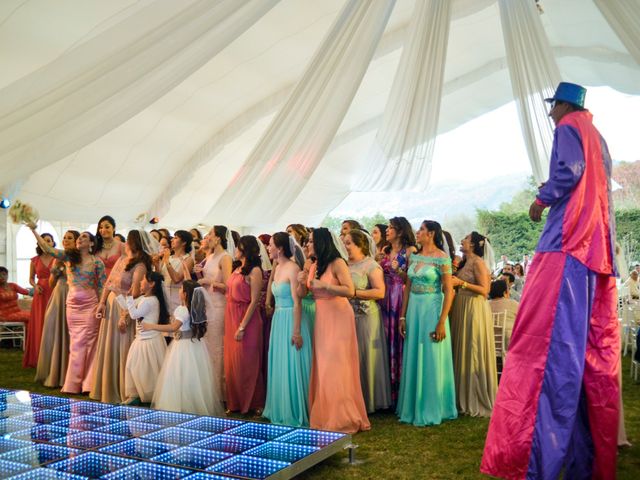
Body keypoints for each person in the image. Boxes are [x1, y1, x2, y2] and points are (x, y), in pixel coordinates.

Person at [482, 82, 620, 479]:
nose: (549, 115)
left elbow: (568, 171)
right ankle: (586, 461)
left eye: (552, 107)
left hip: (567, 246)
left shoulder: (569, 128)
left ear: (563, 105)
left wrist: (540, 200)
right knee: (589, 358)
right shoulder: (599, 136)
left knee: (544, 353)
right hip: (596, 254)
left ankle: (534, 459)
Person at [300, 227, 370, 434]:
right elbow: (305, 291)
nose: (308, 245)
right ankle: (325, 413)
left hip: (339, 316)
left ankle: (342, 416)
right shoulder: (314, 265)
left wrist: (325, 286)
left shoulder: (337, 263)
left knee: (336, 364)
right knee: (323, 364)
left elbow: (349, 291)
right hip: (322, 318)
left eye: (311, 241)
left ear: (321, 243)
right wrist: (303, 274)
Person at [30, 226, 106, 394]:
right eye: (79, 238)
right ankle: (73, 383)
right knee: (76, 343)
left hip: (90, 305)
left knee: (91, 343)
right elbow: (47, 248)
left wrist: (102, 304)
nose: (80, 239)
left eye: (84, 237)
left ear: (91, 243)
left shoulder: (97, 262)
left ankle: (89, 384)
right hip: (72, 305)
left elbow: (101, 287)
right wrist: (33, 230)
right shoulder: (67, 257)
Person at [397, 221, 457, 426]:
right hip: (414, 308)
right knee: (414, 352)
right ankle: (412, 405)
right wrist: (402, 316)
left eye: (421, 229)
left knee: (431, 355)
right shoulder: (414, 256)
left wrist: (442, 321)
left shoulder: (442, 258)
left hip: (432, 309)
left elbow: (449, 290)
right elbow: (407, 286)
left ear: (431, 234)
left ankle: (433, 406)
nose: (418, 232)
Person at [90, 230, 150, 403]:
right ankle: (106, 387)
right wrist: (101, 302)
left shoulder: (140, 266)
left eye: (127, 240)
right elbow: (108, 283)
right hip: (110, 306)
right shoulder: (122, 260)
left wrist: (125, 314)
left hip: (123, 308)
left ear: (133, 242)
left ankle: (123, 389)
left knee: (122, 347)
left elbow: (136, 293)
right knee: (109, 346)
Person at [148, 281, 223, 416]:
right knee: (194, 377)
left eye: (181, 288)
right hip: (195, 346)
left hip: (182, 348)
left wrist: (152, 326)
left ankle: (180, 407)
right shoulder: (194, 309)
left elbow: (173, 327)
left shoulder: (182, 310)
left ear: (185, 294)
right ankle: (194, 405)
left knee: (179, 376)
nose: (179, 290)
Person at [263, 232, 311, 427]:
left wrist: (297, 331)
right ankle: (280, 406)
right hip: (278, 319)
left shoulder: (292, 268)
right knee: (281, 361)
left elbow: (298, 302)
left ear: (280, 248)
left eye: (271, 245)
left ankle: (295, 408)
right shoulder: (278, 267)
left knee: (292, 363)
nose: (268, 248)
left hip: (291, 317)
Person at [449, 231, 497, 417]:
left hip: (473, 308)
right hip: (462, 306)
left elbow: (485, 290)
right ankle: (461, 393)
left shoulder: (478, 263)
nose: (462, 240)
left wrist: (461, 283)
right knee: (462, 347)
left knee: (472, 348)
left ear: (475, 245)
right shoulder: (465, 261)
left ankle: (475, 395)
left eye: (467, 238)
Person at [344, 229, 391, 413]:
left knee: (366, 356)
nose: (345, 246)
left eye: (349, 243)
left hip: (366, 317)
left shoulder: (371, 265)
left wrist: (354, 293)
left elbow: (380, 292)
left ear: (360, 245)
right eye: (344, 243)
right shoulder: (343, 265)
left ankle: (370, 399)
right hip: (346, 317)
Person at [224, 235, 266, 415]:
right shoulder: (237, 268)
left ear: (245, 249)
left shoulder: (255, 271)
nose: (234, 250)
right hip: (231, 314)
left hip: (246, 318)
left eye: (237, 247)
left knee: (247, 361)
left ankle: (254, 402)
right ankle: (236, 402)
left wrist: (242, 326)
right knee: (232, 362)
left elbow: (255, 300)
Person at [379, 216, 416, 405]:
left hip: (400, 297)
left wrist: (399, 271)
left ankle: (401, 390)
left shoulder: (410, 251)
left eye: (391, 228)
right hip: (385, 297)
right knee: (386, 339)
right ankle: (387, 390)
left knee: (399, 341)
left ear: (400, 231)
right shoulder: (385, 251)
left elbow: (412, 280)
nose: (387, 230)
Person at [35, 230, 79, 387]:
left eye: (70, 238)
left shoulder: (78, 258)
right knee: (55, 329)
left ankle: (70, 372)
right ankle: (55, 370)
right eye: (64, 238)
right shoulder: (58, 258)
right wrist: (57, 272)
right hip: (59, 294)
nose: (66, 240)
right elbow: (51, 283)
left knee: (71, 333)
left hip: (74, 295)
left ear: (76, 241)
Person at [123, 271, 168, 404]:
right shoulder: (144, 299)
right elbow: (129, 308)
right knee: (135, 366)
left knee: (147, 369)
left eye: (144, 279)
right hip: (141, 339)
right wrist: (124, 297)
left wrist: (129, 298)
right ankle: (136, 394)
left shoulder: (151, 301)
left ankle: (149, 394)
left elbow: (134, 314)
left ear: (151, 284)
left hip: (149, 341)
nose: (141, 282)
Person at [198, 225, 233, 396]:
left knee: (216, 347)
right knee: (206, 346)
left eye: (210, 234)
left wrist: (208, 282)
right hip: (206, 305)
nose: (207, 237)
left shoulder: (225, 258)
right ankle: (207, 389)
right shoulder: (210, 256)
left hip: (218, 306)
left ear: (218, 238)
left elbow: (228, 286)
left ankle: (220, 392)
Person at [23, 233, 55, 367]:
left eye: (49, 240)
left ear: (53, 243)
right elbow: (31, 278)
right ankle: (38, 357)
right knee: (40, 322)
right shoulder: (34, 260)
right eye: (43, 240)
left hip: (54, 291)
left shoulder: (57, 258)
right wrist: (35, 286)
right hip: (40, 293)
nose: (46, 242)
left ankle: (53, 356)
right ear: (39, 243)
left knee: (53, 321)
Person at [160, 230, 194, 315]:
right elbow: (161, 276)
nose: (172, 240)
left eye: (175, 238)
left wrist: (167, 261)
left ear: (184, 243)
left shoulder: (188, 259)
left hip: (177, 298)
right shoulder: (169, 257)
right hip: (164, 296)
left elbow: (176, 278)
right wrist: (156, 263)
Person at [488, 279, 519, 354]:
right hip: (508, 343)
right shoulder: (513, 304)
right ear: (504, 292)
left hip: (489, 341)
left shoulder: (486, 304)